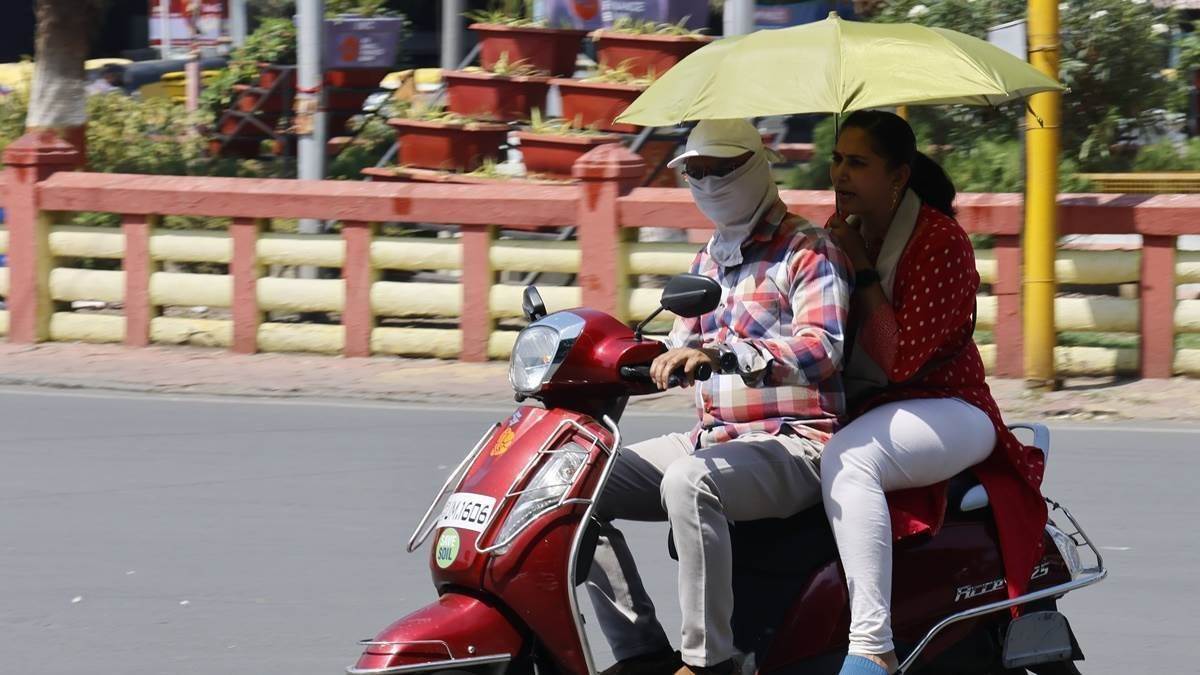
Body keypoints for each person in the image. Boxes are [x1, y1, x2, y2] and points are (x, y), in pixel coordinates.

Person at [584, 118, 853, 675]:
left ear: (756, 167)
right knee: (576, 480)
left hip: (796, 442)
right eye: (695, 172)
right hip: (714, 436)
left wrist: (731, 355)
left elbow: (822, 347)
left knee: (691, 481)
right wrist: (626, 363)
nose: (707, 183)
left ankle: (710, 661)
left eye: (720, 170)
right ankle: (639, 649)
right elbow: (683, 346)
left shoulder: (807, 250)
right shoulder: (709, 257)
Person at [821, 110, 1048, 675]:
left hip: (949, 406)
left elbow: (900, 358)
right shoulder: (837, 227)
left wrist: (863, 268)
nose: (840, 174)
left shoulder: (940, 241)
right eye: (836, 159)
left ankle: (873, 644)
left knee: (848, 463)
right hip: (864, 402)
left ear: (897, 176)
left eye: (858, 162)